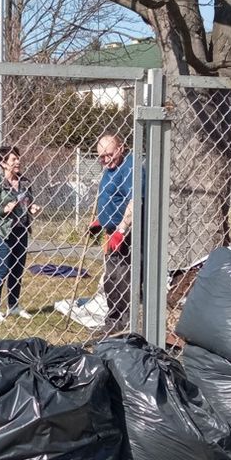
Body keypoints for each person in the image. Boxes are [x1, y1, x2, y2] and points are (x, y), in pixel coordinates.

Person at [0, 145, 41, 321]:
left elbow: (28, 202)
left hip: (21, 231)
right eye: (13, 159)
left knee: (17, 270)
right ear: (3, 163)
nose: (18, 161)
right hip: (1, 233)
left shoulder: (25, 182)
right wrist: (2, 209)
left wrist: (32, 207)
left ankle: (13, 305)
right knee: (2, 270)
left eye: (17, 158)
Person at [89, 133, 136, 326]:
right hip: (110, 232)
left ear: (121, 148)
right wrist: (100, 220)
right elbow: (112, 198)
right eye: (101, 156)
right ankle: (114, 319)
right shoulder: (110, 169)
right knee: (110, 278)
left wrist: (121, 230)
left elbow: (134, 201)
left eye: (109, 154)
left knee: (121, 278)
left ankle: (124, 322)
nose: (106, 160)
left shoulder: (128, 168)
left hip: (126, 234)